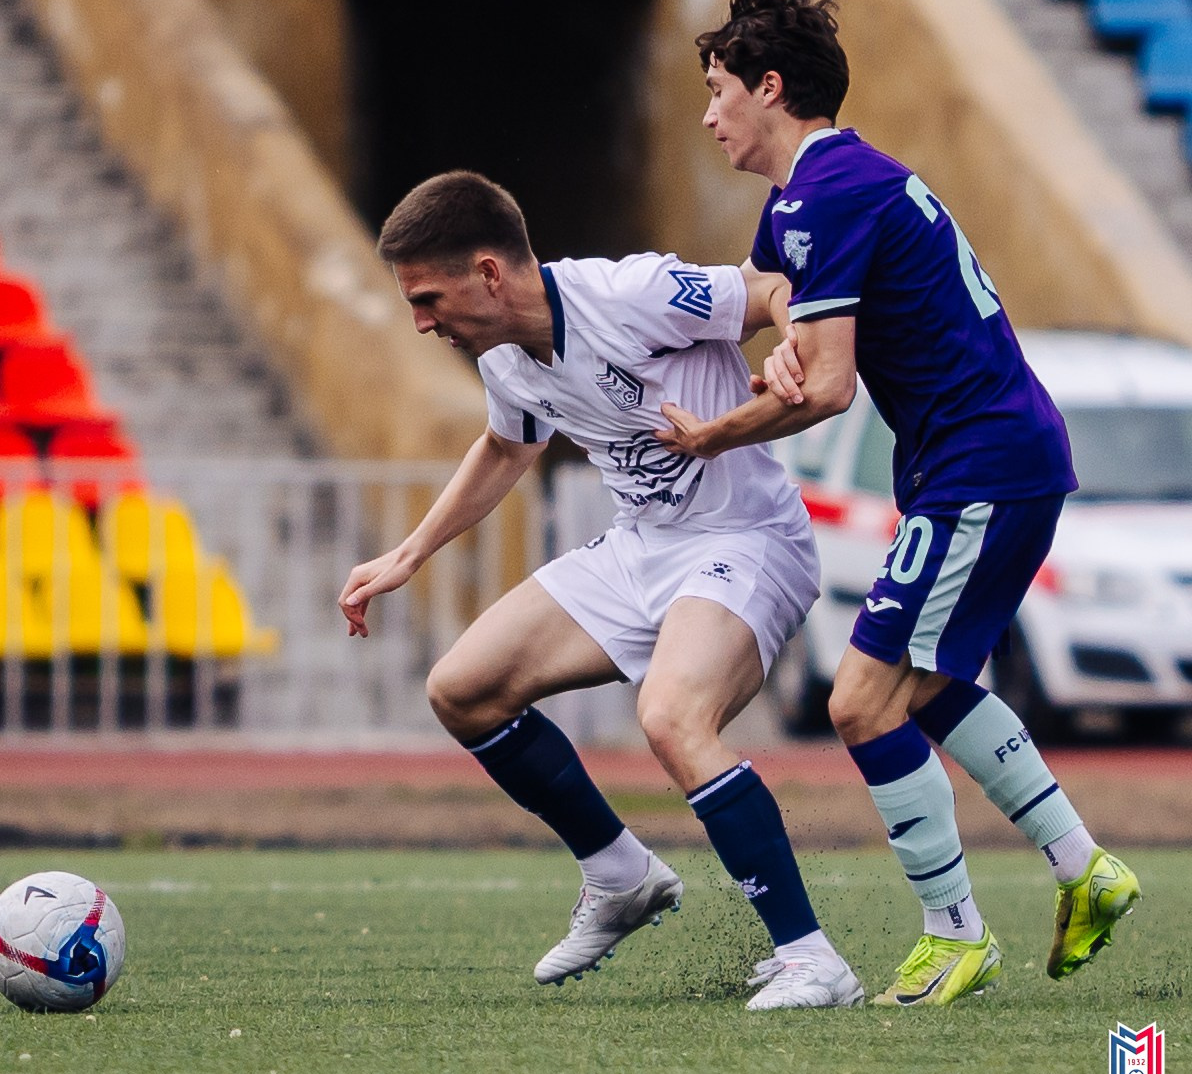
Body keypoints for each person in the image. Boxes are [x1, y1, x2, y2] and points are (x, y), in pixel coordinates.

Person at [657, 0, 1139, 1005]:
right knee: (923, 684)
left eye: (716, 89)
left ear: (769, 87)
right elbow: (785, 316)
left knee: (860, 699)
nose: (706, 115)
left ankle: (953, 933)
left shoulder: (829, 192)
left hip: (980, 465)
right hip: (977, 462)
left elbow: (826, 387)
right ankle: (1081, 866)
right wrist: (780, 352)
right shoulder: (811, 195)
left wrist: (712, 432)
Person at [341, 170, 863, 1010]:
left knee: (670, 715)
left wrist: (795, 339)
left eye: (428, 297)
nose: (420, 320)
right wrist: (409, 553)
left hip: (745, 538)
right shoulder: (503, 355)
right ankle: (619, 874)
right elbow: (509, 447)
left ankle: (812, 957)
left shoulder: (632, 292)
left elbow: (767, 288)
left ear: (488, 271)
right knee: (462, 690)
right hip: (639, 547)